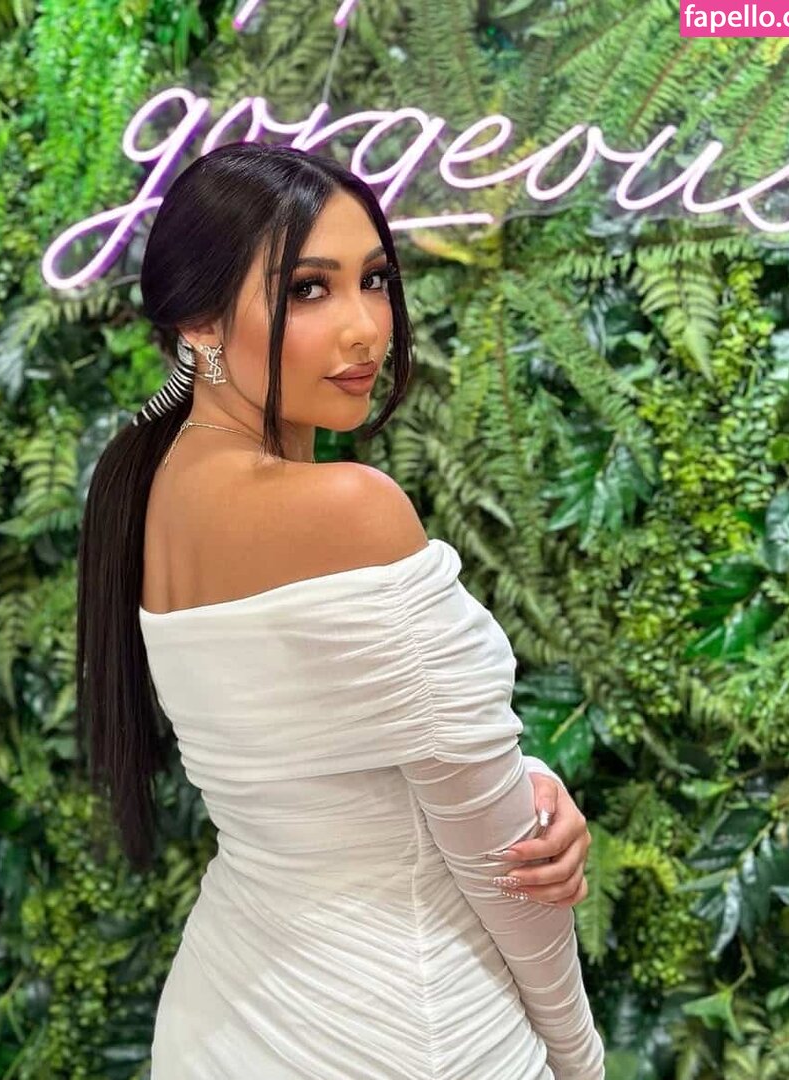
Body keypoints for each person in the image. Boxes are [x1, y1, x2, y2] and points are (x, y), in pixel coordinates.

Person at [75, 142, 605, 1078]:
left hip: (224, 1016)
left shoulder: (148, 489)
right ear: (199, 322)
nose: (365, 328)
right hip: (404, 1030)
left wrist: (517, 779)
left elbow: (330, 764)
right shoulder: (346, 510)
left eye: (375, 280)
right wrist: (575, 1053)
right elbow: (503, 864)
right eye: (309, 290)